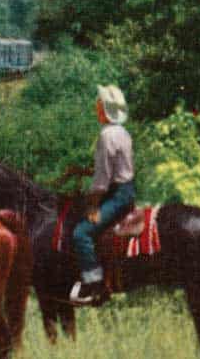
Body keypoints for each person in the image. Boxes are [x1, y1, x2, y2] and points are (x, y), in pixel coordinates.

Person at [68, 84, 134, 305]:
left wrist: (92, 204)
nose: (96, 106)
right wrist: (85, 171)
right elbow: (115, 167)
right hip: (127, 191)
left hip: (116, 197)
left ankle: (94, 286)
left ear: (103, 109)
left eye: (98, 103)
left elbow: (101, 183)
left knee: (81, 233)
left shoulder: (106, 136)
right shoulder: (122, 132)